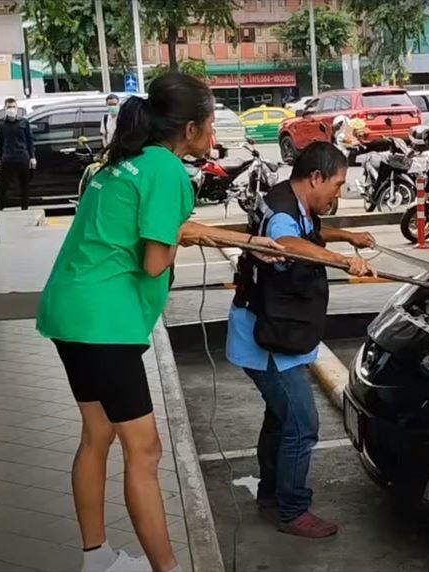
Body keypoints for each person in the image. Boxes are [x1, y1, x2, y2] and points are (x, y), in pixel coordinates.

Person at [36, 73, 284, 572]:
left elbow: (143, 230)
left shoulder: (123, 163)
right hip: (106, 322)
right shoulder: (168, 171)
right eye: (211, 124)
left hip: (67, 310)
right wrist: (181, 237)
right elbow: (154, 261)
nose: (214, 134)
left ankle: (98, 558)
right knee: (144, 450)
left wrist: (207, 235)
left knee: (96, 434)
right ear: (190, 128)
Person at [227, 142, 376, 539]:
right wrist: (346, 262)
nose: (338, 194)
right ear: (315, 178)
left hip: (270, 327)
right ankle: (293, 510)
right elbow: (288, 243)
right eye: (337, 185)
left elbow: (306, 231)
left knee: (279, 417)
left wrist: (347, 237)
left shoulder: (292, 200)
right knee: (302, 424)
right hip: (268, 338)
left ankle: (271, 494)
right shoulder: (281, 217)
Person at [0, 97, 35, 210]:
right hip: (7, 159)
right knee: (3, 186)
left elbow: (29, 140)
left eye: (13, 107)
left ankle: (25, 208)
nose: (11, 109)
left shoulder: (24, 122)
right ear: (5, 108)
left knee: (24, 186)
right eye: (9, 107)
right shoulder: (1, 124)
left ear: (17, 108)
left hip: (23, 158)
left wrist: (32, 157)